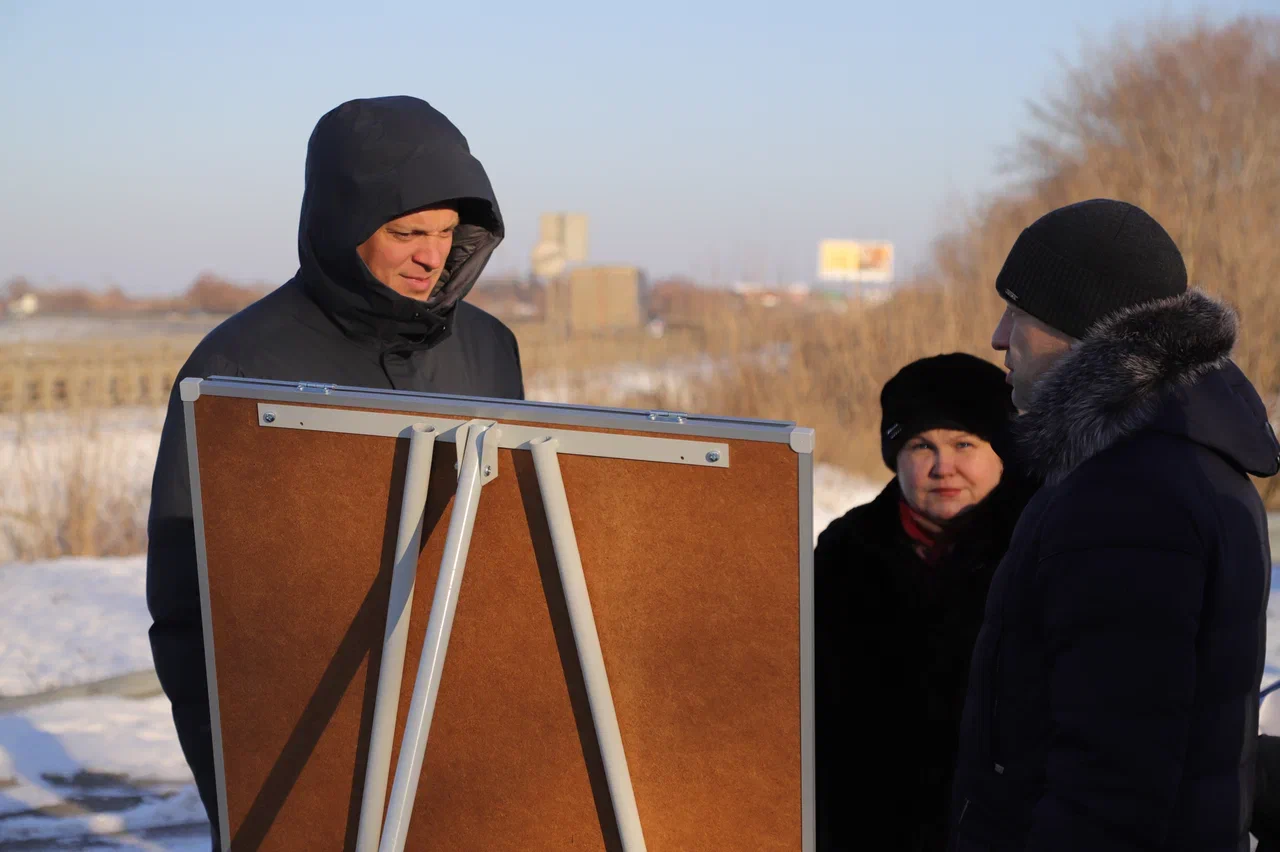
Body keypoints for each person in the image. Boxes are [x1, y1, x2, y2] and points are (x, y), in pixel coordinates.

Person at [145, 96, 525, 848]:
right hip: (306, 734)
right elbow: (189, 610)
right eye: (406, 232)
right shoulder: (237, 369)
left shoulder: (489, 350)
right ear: (340, 225)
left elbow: (509, 553)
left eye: (447, 233)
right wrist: (245, 797)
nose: (431, 255)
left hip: (468, 745)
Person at [947, 199, 1280, 851]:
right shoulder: (1184, 461)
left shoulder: (1131, 494)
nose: (997, 335)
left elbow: (1110, 785)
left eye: (1021, 311)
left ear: (1085, 330)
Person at [814, 352, 1038, 851]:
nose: (943, 467)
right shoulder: (844, 553)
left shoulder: (1040, 546)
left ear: (1002, 450)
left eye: (964, 443)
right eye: (921, 445)